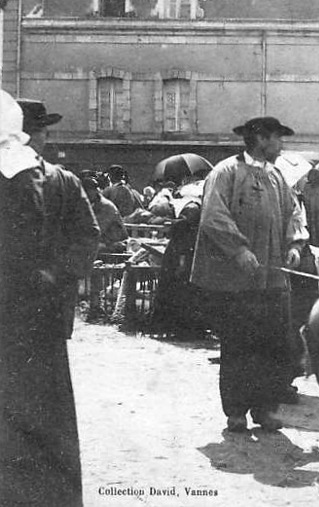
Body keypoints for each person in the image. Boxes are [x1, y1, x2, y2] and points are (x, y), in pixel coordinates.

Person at [1, 92, 100, 506]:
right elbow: (87, 236)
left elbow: (87, 235)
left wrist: (51, 271)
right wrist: (57, 272)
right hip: (41, 314)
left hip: (24, 313)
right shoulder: (63, 180)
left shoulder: (58, 181)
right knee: (46, 407)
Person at [190, 116, 307, 432]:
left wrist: (294, 245)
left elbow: (294, 214)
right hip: (236, 283)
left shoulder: (277, 178)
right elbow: (212, 217)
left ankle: (265, 409)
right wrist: (239, 250)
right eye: (278, 139)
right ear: (261, 139)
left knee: (272, 346)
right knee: (239, 346)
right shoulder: (226, 173)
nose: (281, 146)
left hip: (273, 281)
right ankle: (237, 411)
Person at [79, 171, 128, 254]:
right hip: (105, 243)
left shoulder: (105, 207)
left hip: (115, 245)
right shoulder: (93, 204)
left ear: (94, 191)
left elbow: (95, 230)